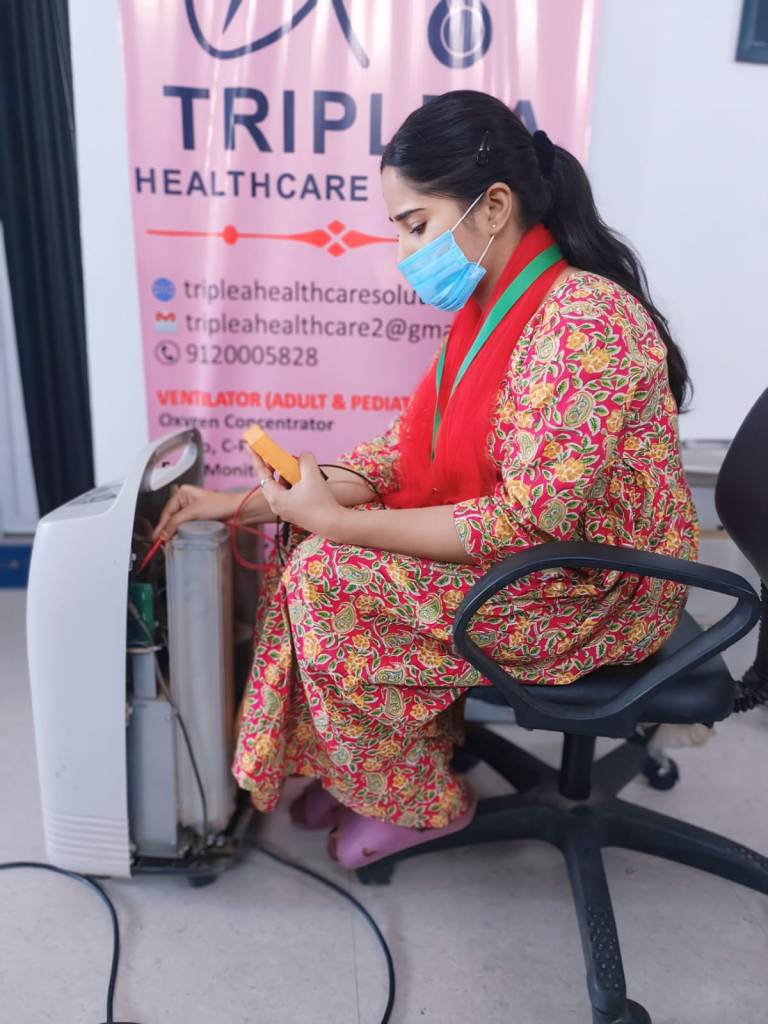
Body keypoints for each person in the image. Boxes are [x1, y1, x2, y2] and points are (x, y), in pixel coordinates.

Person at [154, 91, 698, 870]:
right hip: (546, 559)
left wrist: (344, 524)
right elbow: (405, 456)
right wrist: (253, 499)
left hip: (601, 589)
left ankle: (419, 803)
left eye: (416, 225)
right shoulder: (493, 308)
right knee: (306, 539)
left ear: (494, 206)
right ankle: (361, 767)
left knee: (327, 579)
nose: (405, 251)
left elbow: (525, 523)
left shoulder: (584, 322)